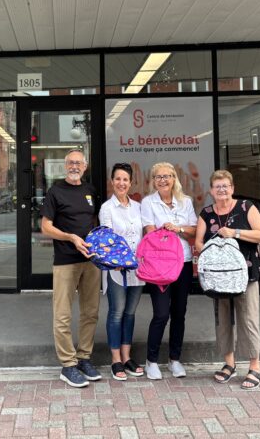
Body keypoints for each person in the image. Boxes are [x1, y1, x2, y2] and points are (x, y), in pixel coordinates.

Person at [195, 169, 260, 390]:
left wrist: (235, 233)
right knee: (223, 320)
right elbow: (198, 242)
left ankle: (255, 367)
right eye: (217, 187)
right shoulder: (207, 213)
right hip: (219, 277)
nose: (222, 190)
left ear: (232, 188)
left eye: (226, 186)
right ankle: (229, 364)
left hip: (246, 274)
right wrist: (212, 251)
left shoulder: (246, 207)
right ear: (211, 191)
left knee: (248, 319)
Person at [40, 148, 101, 388]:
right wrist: (71, 237)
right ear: (65, 166)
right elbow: (46, 227)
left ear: (85, 167)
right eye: (71, 163)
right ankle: (68, 364)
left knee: (91, 312)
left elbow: (94, 220)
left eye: (79, 163)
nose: (75, 166)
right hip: (66, 260)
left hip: (91, 261)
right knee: (63, 315)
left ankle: (84, 357)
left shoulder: (90, 191)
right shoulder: (56, 191)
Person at [140, 161, 197, 380]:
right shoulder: (148, 203)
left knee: (179, 313)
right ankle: (151, 361)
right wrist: (169, 233)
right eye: (158, 177)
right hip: (159, 266)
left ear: (174, 178)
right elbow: (150, 233)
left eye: (167, 176)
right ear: (153, 181)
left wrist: (178, 228)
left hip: (183, 262)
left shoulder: (186, 202)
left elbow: (192, 231)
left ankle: (174, 359)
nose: (163, 180)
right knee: (161, 313)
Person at [98, 162, 145, 381]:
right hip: (117, 270)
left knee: (130, 313)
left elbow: (144, 236)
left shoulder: (138, 207)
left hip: (137, 269)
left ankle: (127, 357)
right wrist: (114, 261)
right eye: (118, 179)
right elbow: (106, 240)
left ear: (130, 182)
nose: (121, 183)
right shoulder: (107, 208)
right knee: (116, 312)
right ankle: (115, 359)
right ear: (112, 181)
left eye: (125, 179)